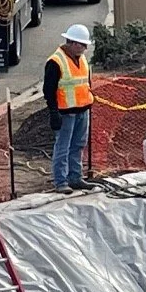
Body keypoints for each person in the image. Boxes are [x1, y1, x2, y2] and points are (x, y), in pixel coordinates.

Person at [45, 23, 95, 191]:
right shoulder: (55, 62)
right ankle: (61, 182)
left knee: (78, 145)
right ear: (72, 43)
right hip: (66, 113)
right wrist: (53, 111)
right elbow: (49, 89)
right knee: (63, 147)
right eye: (82, 44)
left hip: (82, 110)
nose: (85, 48)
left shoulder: (81, 59)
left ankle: (75, 177)